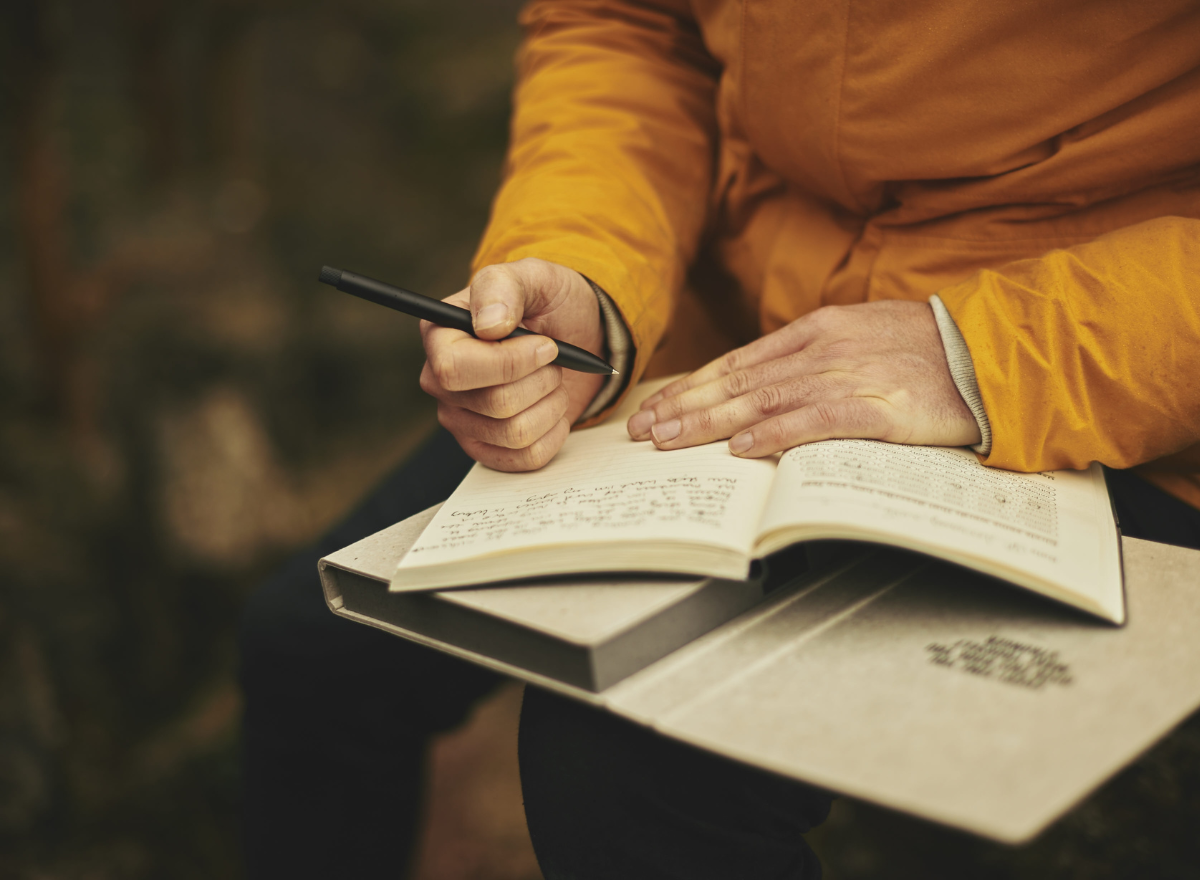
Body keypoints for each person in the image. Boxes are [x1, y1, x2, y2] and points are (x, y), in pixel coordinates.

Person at [240, 1, 1200, 877]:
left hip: (1106, 383)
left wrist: (989, 355)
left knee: (623, 770)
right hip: (717, 341)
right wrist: (589, 269)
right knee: (313, 650)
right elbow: (624, 24)